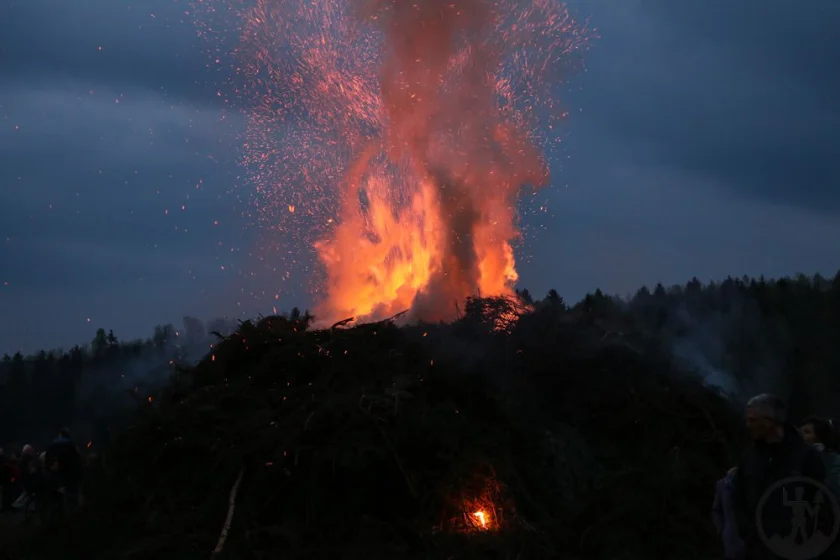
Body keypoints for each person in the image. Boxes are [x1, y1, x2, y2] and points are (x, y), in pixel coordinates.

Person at [731, 394, 826, 559]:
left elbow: (820, 505)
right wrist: (747, 532)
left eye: (753, 420)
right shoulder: (750, 457)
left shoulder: (805, 457)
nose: (748, 425)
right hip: (755, 550)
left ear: (770, 421)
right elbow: (738, 498)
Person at [44, 428, 83, 514]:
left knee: (55, 504)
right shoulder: (72, 447)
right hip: (70, 479)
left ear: (59, 435)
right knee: (71, 505)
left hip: (54, 479)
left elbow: (46, 463)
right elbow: (77, 464)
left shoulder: (51, 447)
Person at [713, 466, 745, 560]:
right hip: (730, 537)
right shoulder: (723, 485)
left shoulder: (751, 483)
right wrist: (721, 528)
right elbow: (716, 510)